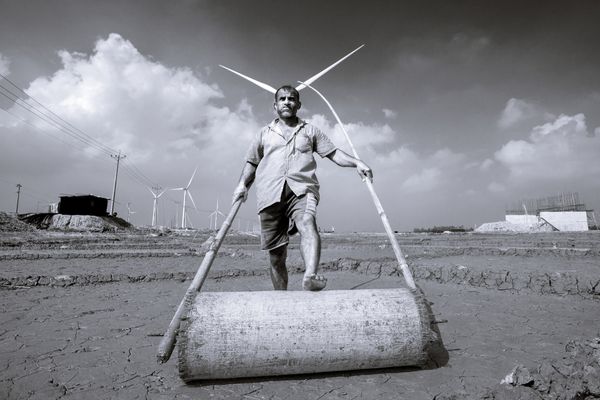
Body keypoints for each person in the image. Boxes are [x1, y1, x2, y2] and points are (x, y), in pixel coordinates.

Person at [232, 85, 373, 291]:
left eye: (291, 98)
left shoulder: (310, 130)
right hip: (269, 193)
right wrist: (241, 185)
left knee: (307, 222)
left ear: (298, 104)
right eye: (282, 99)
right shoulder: (263, 134)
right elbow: (251, 164)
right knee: (276, 255)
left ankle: (310, 276)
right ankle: (281, 297)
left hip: (302, 189)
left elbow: (334, 154)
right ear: (275, 105)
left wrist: (358, 163)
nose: (287, 102)